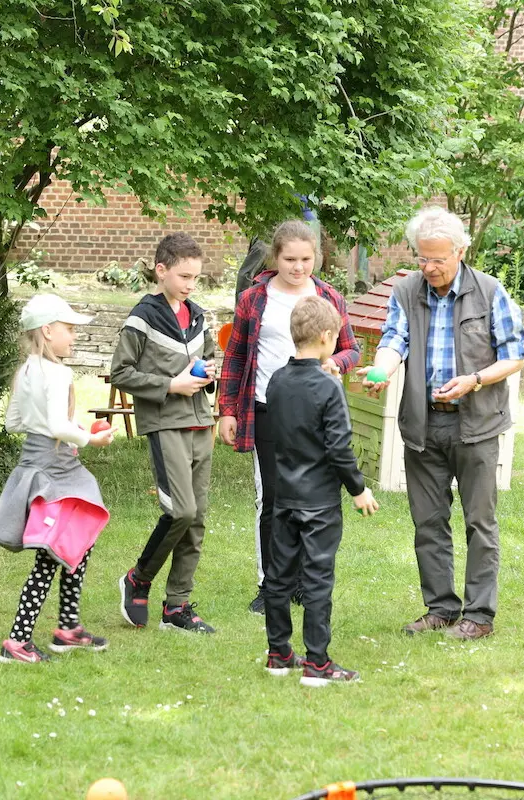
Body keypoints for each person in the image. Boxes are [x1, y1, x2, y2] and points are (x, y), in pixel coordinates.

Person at [359, 206, 524, 641]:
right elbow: (395, 339)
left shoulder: (490, 292)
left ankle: (479, 615)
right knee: (428, 522)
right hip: (423, 424)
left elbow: (513, 354)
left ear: (461, 251)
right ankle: (440, 608)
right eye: (422, 258)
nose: (429, 267)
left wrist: (473, 380)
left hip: (476, 425)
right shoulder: (405, 291)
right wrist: (381, 371)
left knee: (479, 522)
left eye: (438, 259)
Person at [217, 219, 360, 615]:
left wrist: (334, 363)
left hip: (315, 412)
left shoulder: (329, 297)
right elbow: (236, 357)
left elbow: (352, 350)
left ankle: (301, 580)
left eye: (306, 259)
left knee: (311, 498)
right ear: (275, 258)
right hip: (267, 408)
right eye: (290, 259)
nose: (299, 268)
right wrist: (227, 410)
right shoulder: (254, 299)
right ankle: (270, 584)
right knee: (273, 499)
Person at [0, 294, 116, 664]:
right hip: (55, 470)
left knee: (79, 540)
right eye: (69, 329)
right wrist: (89, 437)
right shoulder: (59, 373)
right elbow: (58, 425)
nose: (74, 337)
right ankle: (17, 641)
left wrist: (59, 428)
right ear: (48, 330)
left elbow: (14, 423)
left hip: (39, 464)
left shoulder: (26, 370)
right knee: (51, 556)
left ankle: (68, 626)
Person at [263, 295, 378, 686]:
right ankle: (317, 664)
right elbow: (338, 449)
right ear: (328, 337)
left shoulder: (276, 380)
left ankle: (278, 654)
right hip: (319, 502)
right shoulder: (329, 388)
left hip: (283, 497)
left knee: (278, 577)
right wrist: (358, 489)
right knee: (316, 579)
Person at [111, 232, 219, 634]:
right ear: (161, 270)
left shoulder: (200, 316)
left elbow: (207, 362)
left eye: (196, 278)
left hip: (199, 422)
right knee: (181, 510)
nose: (191, 285)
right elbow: (121, 372)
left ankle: (177, 607)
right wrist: (169, 386)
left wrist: (207, 375)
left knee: (196, 520)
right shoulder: (142, 317)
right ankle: (139, 578)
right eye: (184, 276)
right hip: (165, 422)